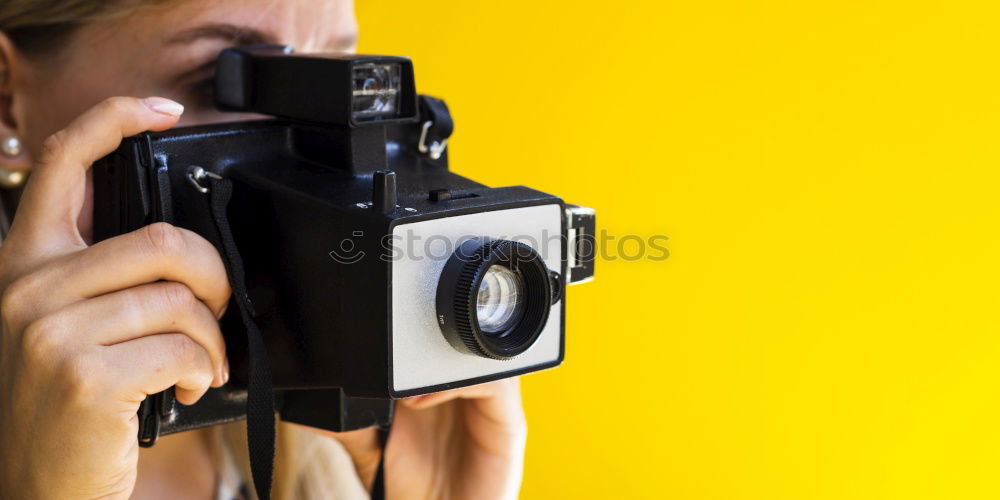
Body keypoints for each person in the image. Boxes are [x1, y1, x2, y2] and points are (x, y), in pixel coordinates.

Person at [0, 1, 527, 498]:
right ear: (6, 99)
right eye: (221, 82)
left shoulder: (341, 443)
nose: (318, 141)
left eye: (342, 75)